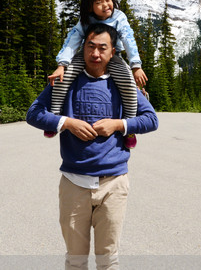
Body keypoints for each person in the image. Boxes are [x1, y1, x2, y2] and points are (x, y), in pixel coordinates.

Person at [27, 24, 158, 269]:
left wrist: (119, 124)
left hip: (113, 183)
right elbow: (33, 114)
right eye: (91, 46)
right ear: (82, 48)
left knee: (108, 259)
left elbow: (151, 119)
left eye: (102, 48)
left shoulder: (124, 84)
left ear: (112, 53)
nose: (95, 54)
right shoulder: (66, 81)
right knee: (75, 259)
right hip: (74, 183)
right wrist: (67, 123)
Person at [45, 0, 147, 151]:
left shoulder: (119, 17)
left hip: (113, 56)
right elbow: (72, 41)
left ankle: (129, 126)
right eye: (98, 3)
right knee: (65, 76)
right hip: (86, 56)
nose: (105, 5)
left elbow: (129, 39)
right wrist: (61, 64)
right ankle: (54, 117)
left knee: (128, 82)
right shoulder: (85, 20)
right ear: (90, 7)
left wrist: (135, 66)